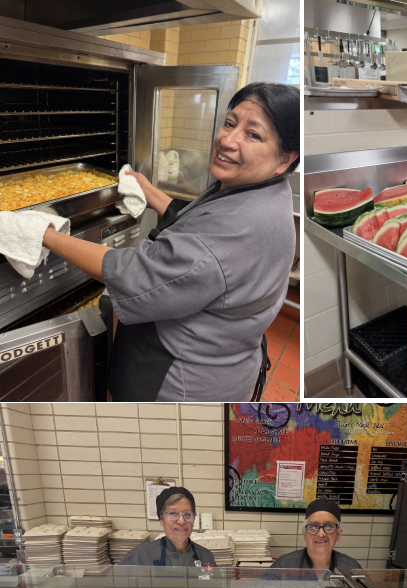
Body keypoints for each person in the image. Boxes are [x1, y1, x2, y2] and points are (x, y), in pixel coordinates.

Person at [25, 82, 298, 401]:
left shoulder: (239, 226)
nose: (228, 139)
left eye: (253, 134)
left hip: (181, 383)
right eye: (230, 123)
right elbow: (196, 224)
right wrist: (147, 189)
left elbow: (133, 273)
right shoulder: (265, 191)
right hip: (230, 357)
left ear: (284, 159)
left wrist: (42, 233)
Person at [104, 487, 221, 588]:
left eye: (188, 514)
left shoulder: (205, 557)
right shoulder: (140, 556)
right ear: (161, 519)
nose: (181, 520)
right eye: (173, 513)